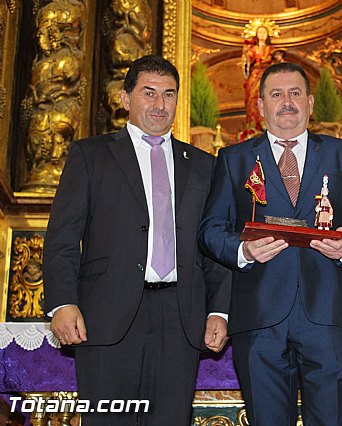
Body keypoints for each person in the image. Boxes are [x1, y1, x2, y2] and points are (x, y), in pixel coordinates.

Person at [43, 55, 231, 426]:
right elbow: (63, 236)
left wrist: (218, 310)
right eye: (149, 93)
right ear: (127, 99)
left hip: (181, 317)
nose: (160, 104)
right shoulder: (90, 155)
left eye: (169, 94)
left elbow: (216, 245)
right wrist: (62, 302)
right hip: (106, 314)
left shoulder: (206, 165)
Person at [198, 62, 342, 426]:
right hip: (259, 317)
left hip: (327, 313)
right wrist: (243, 250)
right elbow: (209, 229)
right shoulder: (233, 160)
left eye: (295, 93)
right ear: (261, 106)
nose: (287, 102)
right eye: (276, 94)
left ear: (311, 104)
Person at [242, 25, 284, 133]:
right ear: (256, 34)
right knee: (252, 98)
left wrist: (278, 59)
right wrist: (245, 54)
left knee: (268, 97)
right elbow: (246, 64)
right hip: (255, 75)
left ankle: (267, 123)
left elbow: (279, 62)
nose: (262, 35)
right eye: (260, 32)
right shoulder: (253, 49)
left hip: (267, 75)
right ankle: (253, 125)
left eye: (264, 32)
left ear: (267, 35)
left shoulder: (271, 49)